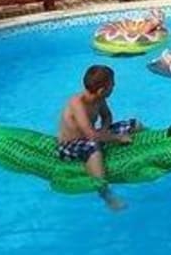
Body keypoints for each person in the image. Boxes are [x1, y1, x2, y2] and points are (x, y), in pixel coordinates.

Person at [56, 64, 140, 211]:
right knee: (92, 146)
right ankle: (105, 194)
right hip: (70, 145)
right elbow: (90, 135)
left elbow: (107, 116)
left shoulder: (100, 98)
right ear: (102, 90)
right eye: (112, 84)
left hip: (92, 134)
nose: (114, 86)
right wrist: (117, 138)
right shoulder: (77, 103)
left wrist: (104, 129)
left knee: (134, 124)